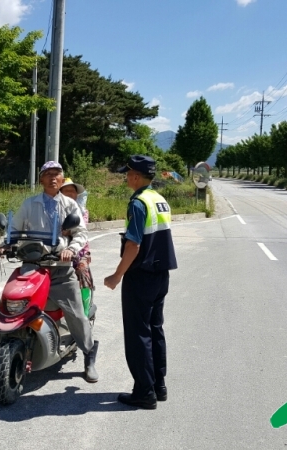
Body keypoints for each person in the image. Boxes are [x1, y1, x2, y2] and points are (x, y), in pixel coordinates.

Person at [3, 161, 99, 383]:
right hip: (33, 265)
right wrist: (6, 244)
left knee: (76, 313)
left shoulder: (69, 204)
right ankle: (12, 346)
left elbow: (81, 233)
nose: (52, 178)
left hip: (60, 270)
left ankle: (88, 352)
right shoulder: (29, 204)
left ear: (62, 179)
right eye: (48, 174)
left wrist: (71, 249)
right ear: (41, 179)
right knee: (14, 303)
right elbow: (15, 229)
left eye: (57, 174)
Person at [103, 155, 177, 409]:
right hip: (161, 274)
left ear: (135, 176)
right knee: (155, 328)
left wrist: (117, 275)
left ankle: (144, 392)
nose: (126, 177)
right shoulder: (159, 199)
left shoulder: (137, 202)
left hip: (141, 276)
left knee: (138, 333)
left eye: (128, 173)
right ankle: (159, 385)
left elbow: (134, 245)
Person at [59, 178, 94, 293]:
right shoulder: (56, 210)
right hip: (58, 251)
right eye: (66, 190)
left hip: (80, 251)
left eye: (72, 191)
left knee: (82, 270)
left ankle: (84, 305)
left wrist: (69, 232)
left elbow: (82, 227)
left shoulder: (82, 210)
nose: (70, 193)